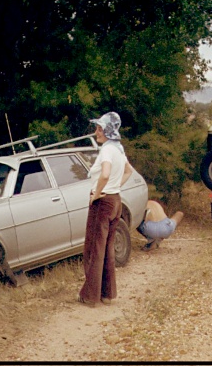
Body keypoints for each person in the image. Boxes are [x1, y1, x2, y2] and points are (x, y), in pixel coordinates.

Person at [78, 112, 134, 307]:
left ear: (108, 131)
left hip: (103, 202)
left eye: (100, 129)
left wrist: (97, 193)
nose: (96, 133)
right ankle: (107, 294)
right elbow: (129, 171)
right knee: (107, 248)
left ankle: (90, 296)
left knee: (94, 249)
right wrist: (115, 187)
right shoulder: (118, 149)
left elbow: (105, 174)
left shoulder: (107, 151)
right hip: (115, 200)